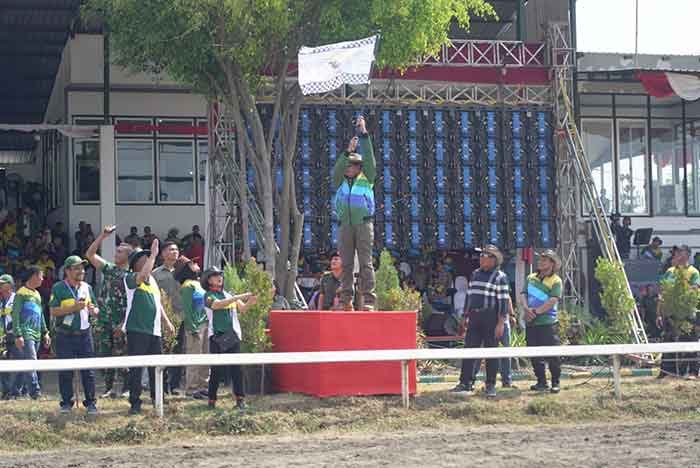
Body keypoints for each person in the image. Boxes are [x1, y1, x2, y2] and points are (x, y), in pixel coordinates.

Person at [121, 240, 175, 415]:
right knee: (137, 367)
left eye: (148, 258)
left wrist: (166, 322)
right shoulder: (130, 278)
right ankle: (135, 402)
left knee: (157, 367)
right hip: (137, 329)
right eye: (143, 259)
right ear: (136, 263)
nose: (148, 261)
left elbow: (157, 304)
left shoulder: (152, 281)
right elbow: (141, 276)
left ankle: (157, 397)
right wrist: (153, 254)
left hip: (154, 330)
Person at [452, 245, 510, 398]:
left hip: (491, 317)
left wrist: (500, 323)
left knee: (491, 352)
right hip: (474, 317)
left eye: (486, 255)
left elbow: (503, 301)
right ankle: (465, 382)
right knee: (470, 349)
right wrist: (465, 316)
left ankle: (490, 385)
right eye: (481, 254)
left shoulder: (500, 276)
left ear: (494, 259)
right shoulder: (475, 274)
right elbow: (469, 296)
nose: (482, 257)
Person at [333, 115, 376, 311]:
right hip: (345, 225)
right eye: (347, 165)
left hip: (364, 224)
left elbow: (370, 158)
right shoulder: (338, 181)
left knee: (366, 262)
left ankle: (368, 300)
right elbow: (337, 168)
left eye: (352, 164)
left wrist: (364, 133)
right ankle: (345, 300)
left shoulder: (368, 178)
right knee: (347, 264)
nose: (348, 167)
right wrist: (347, 152)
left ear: (359, 167)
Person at [86, 225, 132, 399]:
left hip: (121, 321)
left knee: (123, 354)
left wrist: (124, 323)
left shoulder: (131, 275)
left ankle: (126, 388)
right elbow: (90, 255)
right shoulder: (110, 269)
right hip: (104, 319)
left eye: (120, 252)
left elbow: (132, 303)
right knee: (105, 354)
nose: (116, 253)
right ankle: (108, 388)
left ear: (128, 257)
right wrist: (102, 237)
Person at [49, 256, 100, 414]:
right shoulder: (58, 288)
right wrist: (72, 308)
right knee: (66, 370)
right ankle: (66, 402)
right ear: (67, 271)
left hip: (85, 335)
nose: (82, 271)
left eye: (83, 268)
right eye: (77, 268)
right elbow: (53, 310)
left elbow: (96, 308)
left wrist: (94, 310)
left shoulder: (87, 287)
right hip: (65, 335)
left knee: (88, 371)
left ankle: (91, 402)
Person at [201, 267, 257, 410]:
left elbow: (243, 309)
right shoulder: (207, 295)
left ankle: (240, 400)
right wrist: (239, 296)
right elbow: (217, 305)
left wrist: (252, 299)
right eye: (215, 276)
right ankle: (212, 401)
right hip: (217, 337)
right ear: (208, 280)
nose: (219, 278)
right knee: (216, 371)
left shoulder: (228, 294)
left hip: (232, 336)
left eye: (220, 275)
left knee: (237, 369)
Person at [520, 249, 563, 394]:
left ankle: (555, 382)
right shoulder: (530, 277)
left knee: (552, 354)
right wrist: (526, 309)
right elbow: (523, 294)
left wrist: (536, 312)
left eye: (544, 260)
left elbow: (553, 300)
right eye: (540, 259)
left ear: (552, 263)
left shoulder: (556, 281)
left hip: (548, 322)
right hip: (531, 322)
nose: (540, 262)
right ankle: (541, 382)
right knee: (534, 354)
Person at [656, 245, 700, 379]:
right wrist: (659, 313)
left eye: (679, 253)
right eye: (676, 253)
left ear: (686, 255)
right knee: (668, 342)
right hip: (671, 313)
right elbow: (663, 291)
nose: (676, 256)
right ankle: (666, 372)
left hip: (686, 313)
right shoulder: (670, 271)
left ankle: (692, 371)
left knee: (689, 342)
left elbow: (695, 290)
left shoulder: (693, 272)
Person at [11, 266, 51, 399]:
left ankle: (15, 391)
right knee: (32, 361)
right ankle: (35, 392)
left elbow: (40, 314)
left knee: (26, 363)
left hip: (37, 334)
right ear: (33, 276)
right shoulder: (21, 293)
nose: (42, 278)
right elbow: (15, 314)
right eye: (41, 275)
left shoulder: (37, 294)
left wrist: (45, 332)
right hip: (26, 333)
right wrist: (18, 334)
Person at [153, 240, 185, 394]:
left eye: (176, 250)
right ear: (163, 253)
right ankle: (163, 387)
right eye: (171, 250)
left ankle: (175, 385)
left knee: (178, 352)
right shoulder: (155, 273)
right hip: (164, 317)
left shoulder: (184, 271)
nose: (175, 252)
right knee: (164, 351)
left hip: (182, 316)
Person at [175, 256, 208, 399]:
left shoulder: (199, 283)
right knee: (194, 357)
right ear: (186, 269)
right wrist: (192, 327)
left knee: (206, 356)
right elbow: (187, 309)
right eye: (192, 263)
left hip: (205, 323)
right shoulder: (188, 285)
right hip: (195, 326)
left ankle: (203, 386)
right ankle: (192, 388)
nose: (196, 264)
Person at [0, 274, 23, 399]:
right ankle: (6, 391)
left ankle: (16, 390)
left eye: (2, 283)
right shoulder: (0, 300)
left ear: (9, 285)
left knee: (21, 362)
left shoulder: (17, 299)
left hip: (15, 335)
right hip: (3, 337)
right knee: (2, 364)